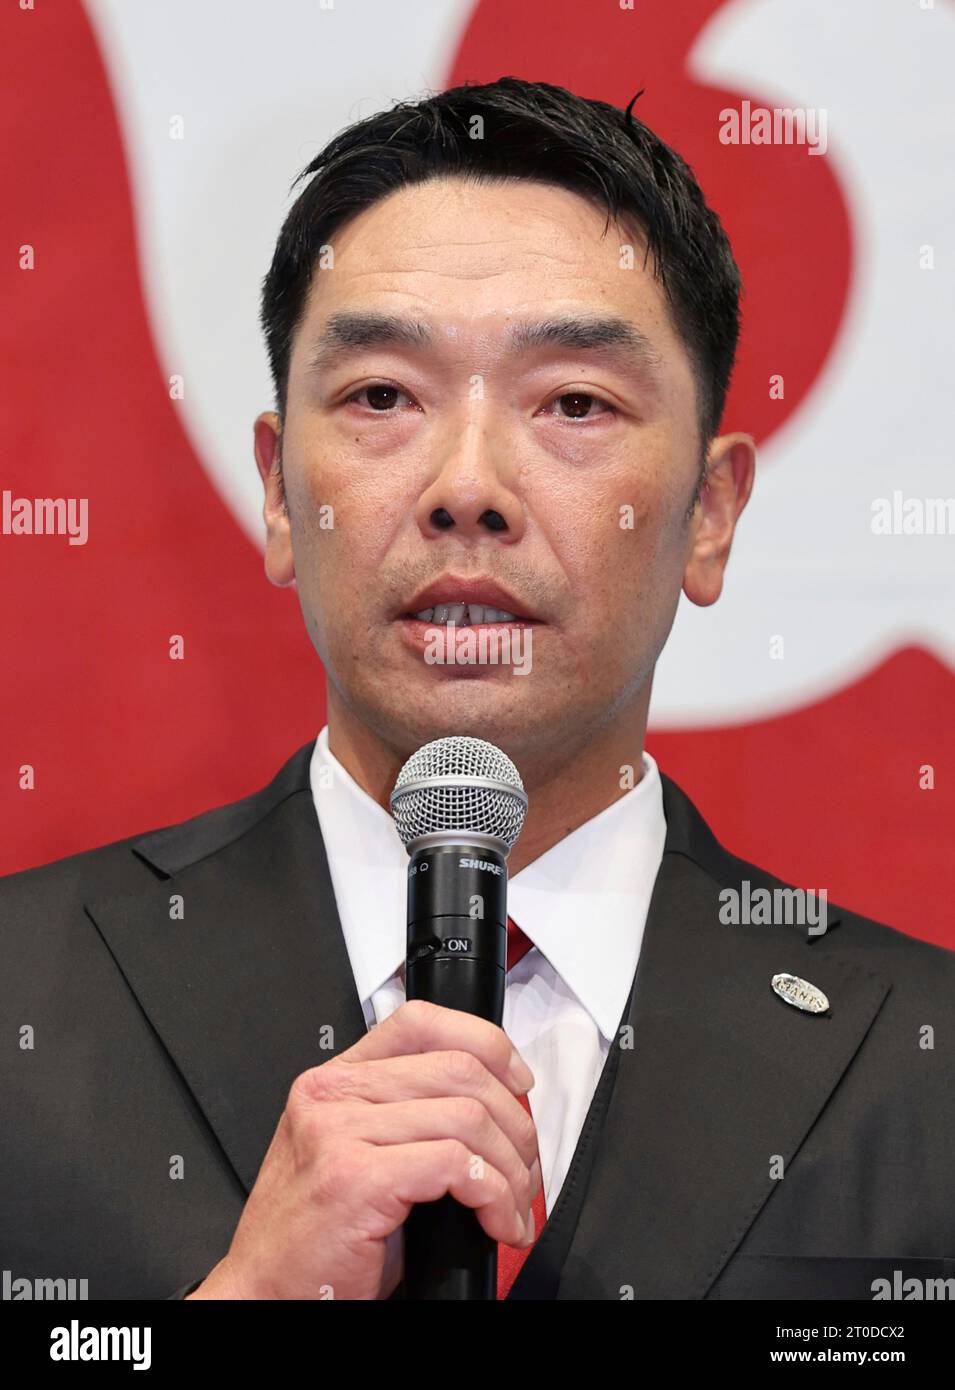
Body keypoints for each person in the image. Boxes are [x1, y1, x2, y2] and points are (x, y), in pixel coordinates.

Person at [1, 78, 952, 1303]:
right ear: (282, 493)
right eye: (382, 395)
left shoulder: (920, 1066)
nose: (467, 486)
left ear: (708, 517)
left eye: (572, 402)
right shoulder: (25, 999)